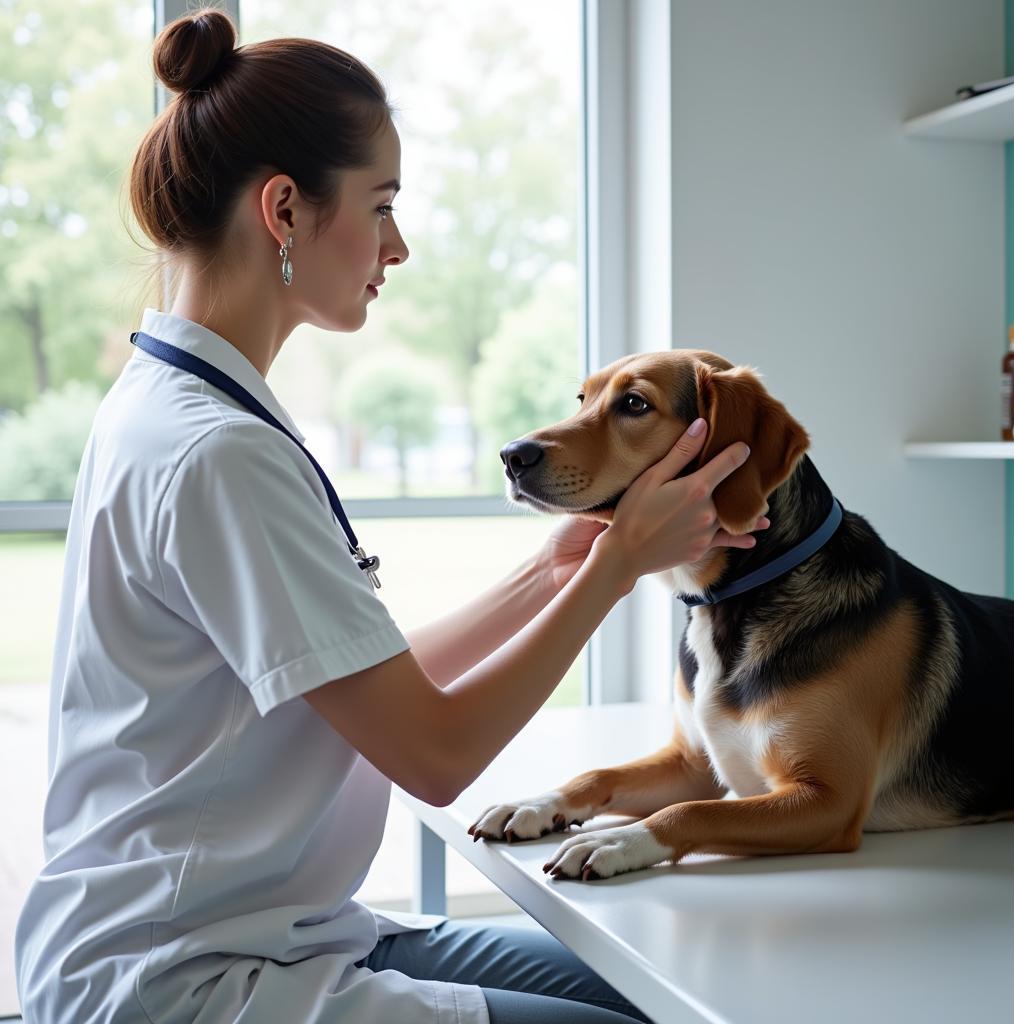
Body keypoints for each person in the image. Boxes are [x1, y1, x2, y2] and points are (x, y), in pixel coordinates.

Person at [14, 9, 765, 1024]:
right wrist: (614, 568)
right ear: (284, 209)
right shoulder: (215, 451)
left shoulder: (183, 404)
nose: (397, 245)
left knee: (660, 980)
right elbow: (433, 753)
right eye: (380, 205)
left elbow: (370, 684)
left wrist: (552, 569)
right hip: (182, 980)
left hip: (271, 929)